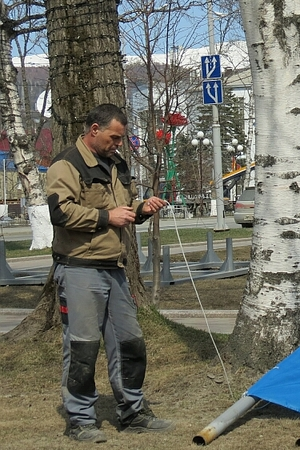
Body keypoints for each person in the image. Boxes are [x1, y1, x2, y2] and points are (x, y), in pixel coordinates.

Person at [47, 104, 173, 442]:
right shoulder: (66, 164)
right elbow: (60, 212)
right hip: (78, 268)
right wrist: (107, 218)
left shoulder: (117, 164)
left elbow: (123, 209)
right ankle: (80, 420)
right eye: (114, 138)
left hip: (114, 267)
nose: (118, 144)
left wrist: (142, 209)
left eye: (120, 139)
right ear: (94, 130)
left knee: (130, 342)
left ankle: (132, 412)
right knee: (82, 347)